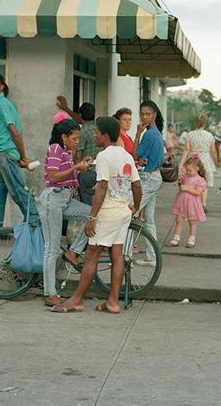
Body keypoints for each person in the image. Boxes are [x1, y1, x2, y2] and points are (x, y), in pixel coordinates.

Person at [51, 117, 141, 314]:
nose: (94, 135)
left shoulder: (104, 157)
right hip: (123, 212)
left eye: (96, 133)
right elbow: (136, 185)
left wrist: (92, 218)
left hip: (107, 214)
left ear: (105, 136)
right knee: (116, 256)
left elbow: (101, 187)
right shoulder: (126, 155)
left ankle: (76, 300)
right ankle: (112, 302)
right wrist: (136, 207)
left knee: (91, 256)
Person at [39, 118, 93, 307]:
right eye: (75, 138)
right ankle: (50, 293)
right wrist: (76, 167)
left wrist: (77, 174)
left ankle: (74, 251)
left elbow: (68, 174)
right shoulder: (55, 149)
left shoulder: (66, 151)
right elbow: (53, 176)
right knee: (51, 248)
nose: (77, 142)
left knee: (93, 214)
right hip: (52, 200)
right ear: (64, 137)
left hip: (65, 199)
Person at [0, 73, 32, 245]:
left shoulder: (3, 104)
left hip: (6, 154)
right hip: (1, 154)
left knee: (19, 193)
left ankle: (38, 226)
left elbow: (14, 131)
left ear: (2, 87)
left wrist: (23, 156)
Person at [134, 100, 166, 266]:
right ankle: (151, 257)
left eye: (147, 114)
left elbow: (135, 154)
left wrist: (137, 134)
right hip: (154, 176)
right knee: (149, 220)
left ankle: (123, 257)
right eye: (142, 114)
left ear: (154, 114)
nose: (144, 117)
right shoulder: (157, 133)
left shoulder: (149, 134)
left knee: (130, 214)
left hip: (148, 179)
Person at [168, 154, 207, 248]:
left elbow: (198, 192)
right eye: (187, 170)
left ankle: (191, 239)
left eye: (190, 170)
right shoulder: (185, 176)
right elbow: (181, 184)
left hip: (192, 203)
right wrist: (180, 183)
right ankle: (176, 238)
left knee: (192, 222)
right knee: (179, 220)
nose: (188, 172)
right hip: (182, 202)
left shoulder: (200, 180)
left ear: (197, 168)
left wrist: (187, 189)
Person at [180, 114, 217, 211]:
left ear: (195, 122)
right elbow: (213, 150)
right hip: (205, 159)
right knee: (204, 183)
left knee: (191, 182)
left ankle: (190, 203)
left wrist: (182, 162)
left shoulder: (190, 134)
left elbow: (187, 149)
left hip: (193, 160)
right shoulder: (209, 135)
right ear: (205, 123)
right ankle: (203, 204)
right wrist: (216, 161)